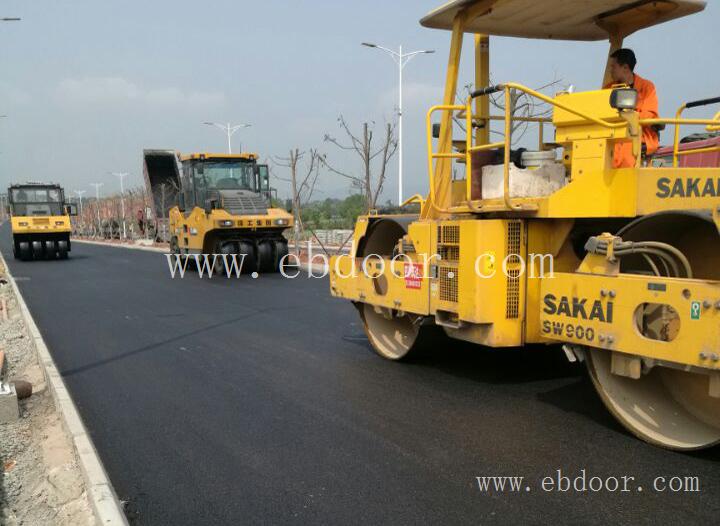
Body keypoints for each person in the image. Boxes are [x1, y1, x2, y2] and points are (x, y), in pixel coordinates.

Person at [605, 48, 659, 168]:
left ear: (625, 68)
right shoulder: (607, 89)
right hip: (612, 132)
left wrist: (628, 115)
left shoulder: (647, 87)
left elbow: (649, 115)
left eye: (613, 66)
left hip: (637, 134)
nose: (610, 70)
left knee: (624, 151)